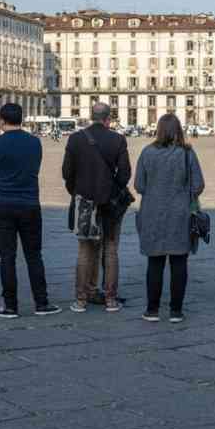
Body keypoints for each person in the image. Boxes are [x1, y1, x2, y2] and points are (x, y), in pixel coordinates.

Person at [0, 102, 60, 318]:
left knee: (7, 256)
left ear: (2, 120)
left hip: (4, 203)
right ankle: (42, 303)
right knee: (34, 255)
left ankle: (10, 306)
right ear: (22, 120)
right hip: (30, 204)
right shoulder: (35, 143)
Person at [134, 113, 205, 323]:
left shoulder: (147, 153)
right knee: (179, 261)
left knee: (154, 261)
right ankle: (176, 311)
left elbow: (139, 185)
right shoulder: (187, 154)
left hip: (152, 213)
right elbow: (198, 185)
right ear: (178, 130)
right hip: (180, 214)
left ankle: (152, 309)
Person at [62, 101, 131, 313]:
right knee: (111, 250)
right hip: (109, 203)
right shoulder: (117, 139)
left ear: (91, 116)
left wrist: (78, 191)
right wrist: (112, 190)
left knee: (85, 250)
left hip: (85, 201)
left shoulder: (75, 139)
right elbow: (125, 173)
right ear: (109, 119)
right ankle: (110, 300)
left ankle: (81, 300)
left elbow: (67, 173)